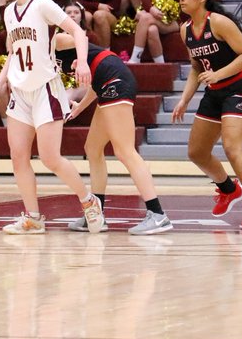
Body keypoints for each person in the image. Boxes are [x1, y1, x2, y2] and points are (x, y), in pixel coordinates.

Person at [0, 0, 106, 235]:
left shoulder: (41, 4)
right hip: (20, 91)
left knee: (51, 158)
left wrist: (83, 63)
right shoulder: (8, 12)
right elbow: (15, 51)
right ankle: (33, 217)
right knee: (18, 157)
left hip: (45, 89)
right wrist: (1, 82)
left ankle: (89, 203)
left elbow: (78, 31)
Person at [172, 0, 242, 230]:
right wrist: (184, 99)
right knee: (196, 152)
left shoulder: (218, 22)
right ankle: (228, 189)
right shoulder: (185, 30)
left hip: (238, 88)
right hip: (214, 92)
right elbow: (197, 68)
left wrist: (219, 74)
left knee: (232, 147)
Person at [56, 35, 173, 235]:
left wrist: (82, 61)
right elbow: (95, 83)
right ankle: (97, 215)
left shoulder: (56, 40)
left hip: (115, 77)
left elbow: (80, 36)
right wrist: (79, 109)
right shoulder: (39, 56)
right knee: (92, 149)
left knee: (124, 151)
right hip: (104, 82)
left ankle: (157, 214)